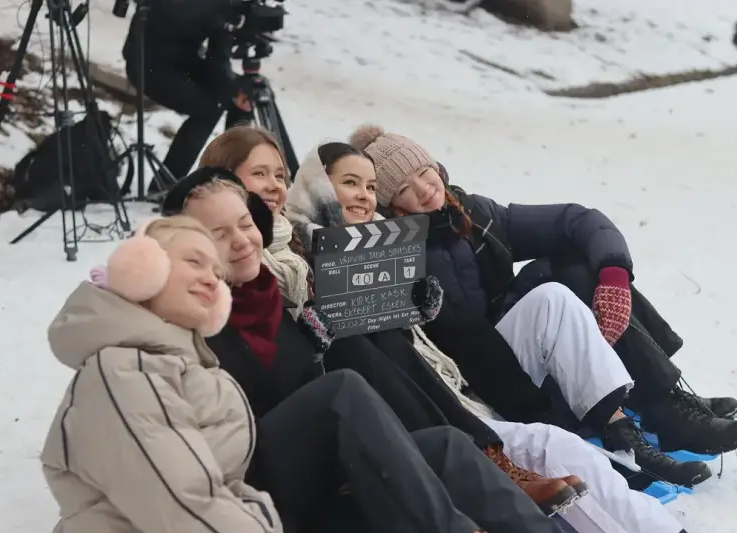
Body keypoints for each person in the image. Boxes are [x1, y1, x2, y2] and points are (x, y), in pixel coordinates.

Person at [41, 215, 565, 533]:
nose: (209, 277)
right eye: (192, 262)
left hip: (254, 510)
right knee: (341, 395)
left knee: (445, 450)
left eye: (212, 269)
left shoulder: (179, 355)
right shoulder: (124, 370)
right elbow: (184, 508)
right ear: (142, 271)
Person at [283, 140, 690, 533]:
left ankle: (628, 434)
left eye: (370, 186)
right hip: (417, 420)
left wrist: (613, 271)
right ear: (318, 187)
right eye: (350, 183)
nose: (364, 195)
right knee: (558, 448)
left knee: (558, 293)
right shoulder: (300, 261)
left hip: (459, 392)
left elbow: (572, 220)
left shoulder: (452, 219)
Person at [191, 127, 589, 513]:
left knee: (385, 336)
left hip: (374, 392)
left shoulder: (291, 244)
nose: (275, 185)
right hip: (288, 431)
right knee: (354, 342)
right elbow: (261, 355)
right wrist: (315, 335)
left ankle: (489, 456)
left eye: (280, 175)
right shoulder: (237, 261)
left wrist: (413, 307)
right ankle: (484, 461)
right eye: (260, 173)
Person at [345, 125, 737, 465]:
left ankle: (664, 400)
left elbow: (576, 220)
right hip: (486, 374)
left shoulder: (473, 213)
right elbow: (452, 334)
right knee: (553, 292)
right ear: (391, 205)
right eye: (405, 188)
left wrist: (614, 275)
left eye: (424, 172)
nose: (423, 188)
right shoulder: (395, 252)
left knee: (579, 266)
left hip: (518, 342)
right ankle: (652, 407)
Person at [122, 0, 252, 188]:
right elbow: (216, 54)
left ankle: (232, 178)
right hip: (147, 65)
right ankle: (165, 185)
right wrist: (224, 23)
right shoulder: (210, 8)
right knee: (208, 109)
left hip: (181, 59)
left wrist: (232, 88)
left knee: (243, 91)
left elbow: (216, 58)